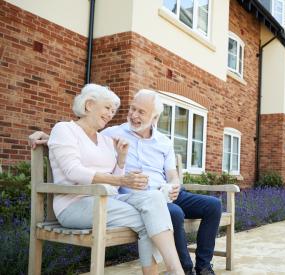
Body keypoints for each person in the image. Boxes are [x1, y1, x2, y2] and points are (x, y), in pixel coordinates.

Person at [30, 89, 222, 275]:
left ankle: (186, 269)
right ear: (89, 105)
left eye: (113, 110)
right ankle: (181, 269)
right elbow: (73, 163)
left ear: (154, 118)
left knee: (171, 208)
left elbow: (113, 177)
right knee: (156, 217)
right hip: (80, 202)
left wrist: (122, 160)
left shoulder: (108, 140)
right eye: (108, 108)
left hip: (134, 196)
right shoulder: (102, 132)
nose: (112, 115)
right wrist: (51, 138)